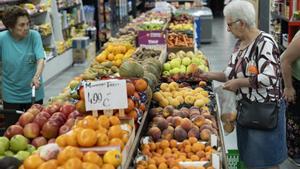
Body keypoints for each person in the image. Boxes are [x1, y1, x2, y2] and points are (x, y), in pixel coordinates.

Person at [200, 1, 287, 168]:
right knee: (251, 160)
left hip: (264, 112)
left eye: (229, 24)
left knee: (266, 162)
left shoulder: (265, 42)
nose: (227, 29)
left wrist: (239, 83)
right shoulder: (239, 44)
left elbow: (270, 77)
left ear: (241, 23)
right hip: (246, 111)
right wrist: (206, 74)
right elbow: (229, 75)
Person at [0, 6, 45, 111]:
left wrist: (36, 77)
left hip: (34, 93)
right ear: (10, 27)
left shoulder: (34, 36)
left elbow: (40, 58)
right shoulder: (2, 39)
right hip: (11, 96)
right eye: (22, 25)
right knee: (12, 127)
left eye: (28, 24)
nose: (26, 27)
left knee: (35, 126)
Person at [281, 30, 300, 165]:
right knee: (295, 119)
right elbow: (285, 60)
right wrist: (288, 87)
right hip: (296, 82)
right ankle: (294, 153)